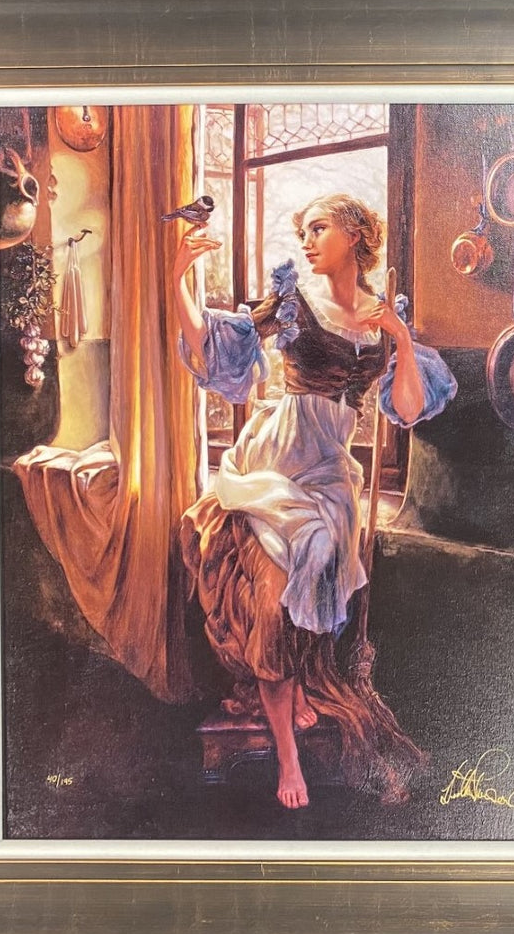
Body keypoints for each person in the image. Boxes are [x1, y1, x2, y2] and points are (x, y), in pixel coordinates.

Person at [173, 193, 457, 809]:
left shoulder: (384, 315)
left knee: (323, 559)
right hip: (276, 458)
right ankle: (287, 755)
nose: (306, 241)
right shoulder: (294, 301)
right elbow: (212, 344)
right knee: (276, 601)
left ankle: (301, 686)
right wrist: (178, 278)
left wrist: (402, 340)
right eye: (303, 230)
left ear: (354, 235)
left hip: (330, 469)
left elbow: (408, 408)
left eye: (319, 228)